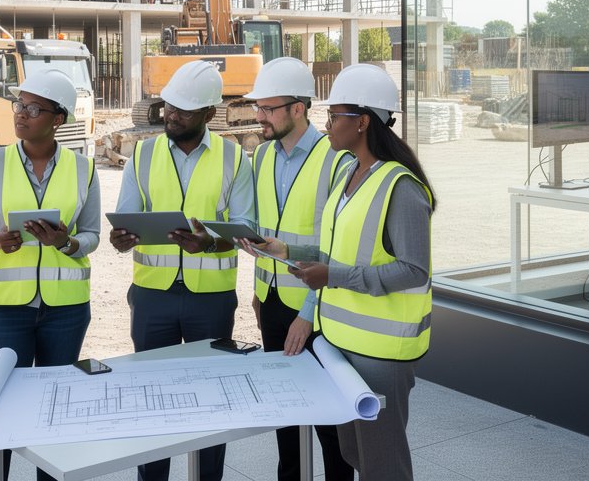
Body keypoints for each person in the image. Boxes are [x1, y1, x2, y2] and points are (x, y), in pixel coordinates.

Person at [241, 63, 434, 481]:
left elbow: (414, 271)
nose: (326, 125)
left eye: (334, 116)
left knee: (383, 466)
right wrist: (285, 249)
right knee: (352, 454)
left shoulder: (400, 187)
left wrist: (333, 278)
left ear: (362, 122)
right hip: (342, 345)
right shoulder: (351, 174)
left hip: (383, 353)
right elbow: (335, 251)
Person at [108, 60, 256, 481]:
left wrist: (210, 242)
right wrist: (123, 238)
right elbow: (128, 218)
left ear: (210, 114)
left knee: (212, 402)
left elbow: (245, 231)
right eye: (169, 106)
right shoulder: (143, 153)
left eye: (184, 110)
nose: (171, 115)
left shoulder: (234, 159)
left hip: (211, 299)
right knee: (152, 401)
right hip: (152, 297)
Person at [0, 69, 99, 481]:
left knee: (55, 412)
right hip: (4, 311)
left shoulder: (82, 169)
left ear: (58, 119)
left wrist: (66, 244)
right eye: (19, 105)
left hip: (66, 312)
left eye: (33, 108)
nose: (21, 114)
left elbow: (91, 235)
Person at [244, 58, 354, 481]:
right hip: (272, 301)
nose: (259, 116)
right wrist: (259, 287)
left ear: (298, 109)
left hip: (316, 310)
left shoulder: (335, 160)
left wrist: (308, 313)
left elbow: (337, 248)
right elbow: (266, 231)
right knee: (285, 418)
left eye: (268, 108)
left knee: (330, 427)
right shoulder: (263, 156)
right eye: (259, 107)